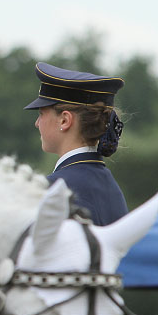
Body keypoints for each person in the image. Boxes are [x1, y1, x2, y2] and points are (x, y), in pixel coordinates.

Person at [24, 62, 128, 225]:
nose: (37, 123)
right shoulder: (112, 188)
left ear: (65, 120)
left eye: (41, 113)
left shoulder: (54, 190)